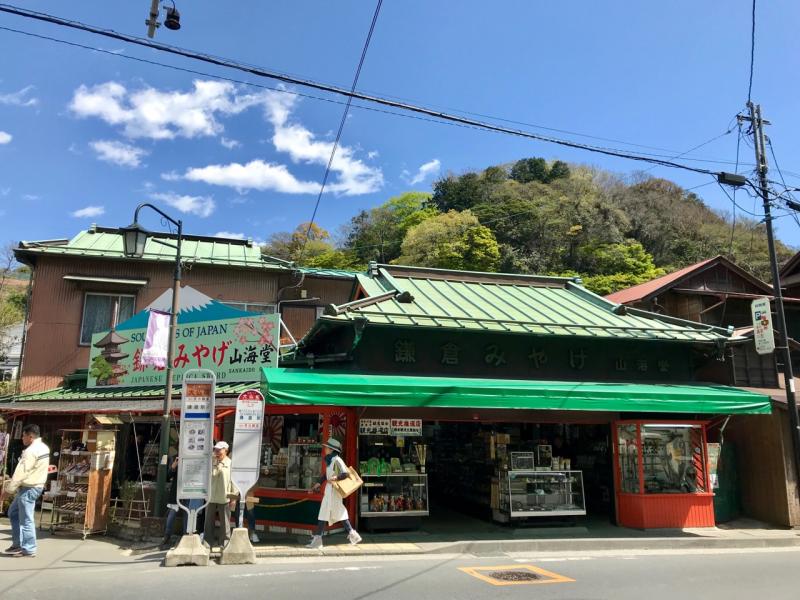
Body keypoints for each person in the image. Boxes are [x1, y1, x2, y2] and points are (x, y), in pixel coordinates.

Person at [305, 438, 361, 549]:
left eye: (326, 447)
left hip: (334, 491)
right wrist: (318, 484)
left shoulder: (337, 460)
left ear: (331, 449)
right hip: (330, 491)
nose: (325, 449)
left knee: (327, 513)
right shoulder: (330, 460)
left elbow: (345, 474)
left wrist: (336, 477)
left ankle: (318, 540)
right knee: (335, 513)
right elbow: (326, 475)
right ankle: (352, 534)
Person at [4, 424, 50, 558]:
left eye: (23, 435)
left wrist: (9, 490)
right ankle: (18, 543)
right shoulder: (43, 448)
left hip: (30, 487)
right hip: (34, 486)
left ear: (30, 436)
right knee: (13, 512)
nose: (22, 438)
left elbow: (21, 472)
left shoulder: (31, 451)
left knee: (26, 519)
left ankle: (28, 548)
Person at [204, 441, 236, 550]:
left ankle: (225, 542)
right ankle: (208, 541)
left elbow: (233, 481)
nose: (217, 452)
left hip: (224, 496)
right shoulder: (211, 462)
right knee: (208, 521)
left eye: (219, 449)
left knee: (225, 521)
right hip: (211, 496)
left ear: (226, 450)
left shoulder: (231, 463)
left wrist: (233, 497)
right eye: (216, 449)